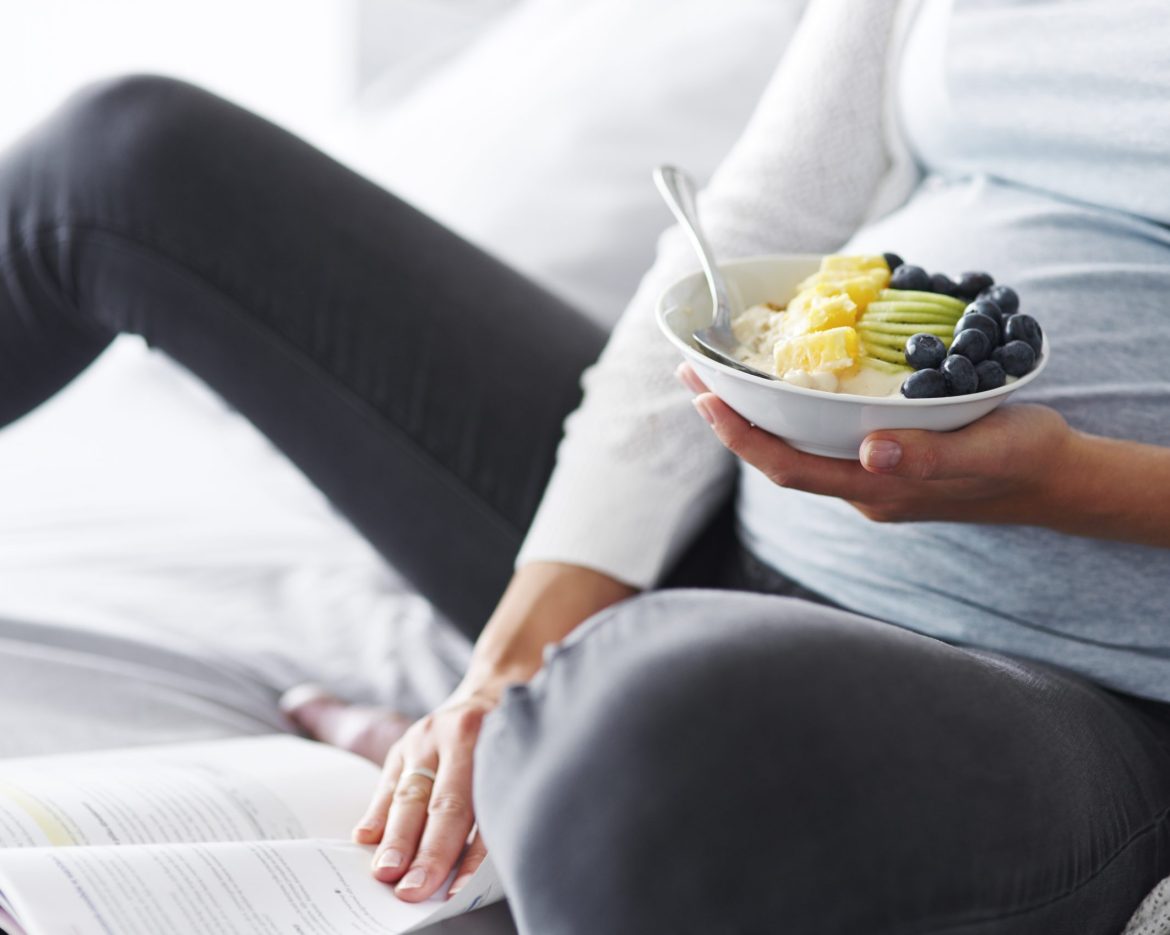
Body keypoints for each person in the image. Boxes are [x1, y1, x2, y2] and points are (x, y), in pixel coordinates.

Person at [2, 0, 1169, 931]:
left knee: (647, 722)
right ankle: (531, 727)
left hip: (1076, 678)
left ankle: (565, 747)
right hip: (728, 515)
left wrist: (1064, 483)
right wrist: (505, 668)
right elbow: (746, 230)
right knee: (120, 159)